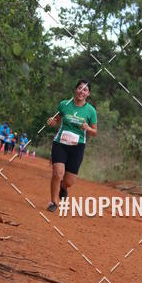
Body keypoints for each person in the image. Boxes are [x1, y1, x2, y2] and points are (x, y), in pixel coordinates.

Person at [45, 80, 98, 212]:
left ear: (88, 93)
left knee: (69, 182)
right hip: (60, 143)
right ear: (75, 89)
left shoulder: (91, 111)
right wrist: (51, 122)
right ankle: (53, 202)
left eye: (85, 90)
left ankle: (63, 187)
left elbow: (95, 132)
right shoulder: (65, 104)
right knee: (57, 173)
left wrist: (87, 128)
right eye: (80, 88)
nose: (81, 91)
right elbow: (56, 120)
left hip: (77, 146)